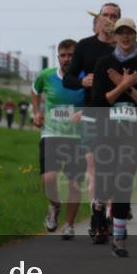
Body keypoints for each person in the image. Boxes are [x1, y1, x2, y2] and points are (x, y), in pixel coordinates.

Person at [62, 2, 137, 243]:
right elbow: (67, 78)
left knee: (119, 170)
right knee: (95, 167)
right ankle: (98, 215)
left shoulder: (131, 48)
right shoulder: (86, 46)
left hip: (122, 116)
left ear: (120, 21)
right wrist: (82, 83)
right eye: (105, 15)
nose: (109, 19)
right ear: (98, 19)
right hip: (93, 114)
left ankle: (114, 211)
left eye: (114, 16)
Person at [91, 18, 137, 257]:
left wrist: (127, 85)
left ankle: (118, 237)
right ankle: (98, 203)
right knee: (107, 181)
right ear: (115, 37)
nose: (125, 37)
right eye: (121, 33)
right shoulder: (103, 64)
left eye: (129, 33)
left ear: (135, 36)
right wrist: (123, 86)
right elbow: (99, 102)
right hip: (107, 132)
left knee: (123, 181)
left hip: (134, 133)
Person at [32, 39, 88, 240]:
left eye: (71, 55)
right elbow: (35, 90)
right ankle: (54, 206)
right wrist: (37, 113)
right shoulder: (47, 76)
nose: (66, 59)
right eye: (63, 55)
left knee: (74, 184)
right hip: (51, 134)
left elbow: (97, 100)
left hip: (78, 137)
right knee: (48, 179)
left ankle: (69, 225)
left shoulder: (85, 78)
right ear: (58, 57)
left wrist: (84, 112)